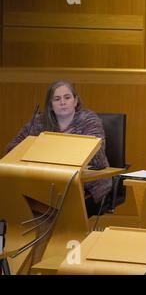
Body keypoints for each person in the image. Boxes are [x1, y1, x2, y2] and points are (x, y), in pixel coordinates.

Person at [5, 80, 111, 218]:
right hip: (47, 184)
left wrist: (50, 150)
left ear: (76, 101)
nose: (62, 102)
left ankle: (63, 237)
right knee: (18, 200)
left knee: (57, 210)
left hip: (88, 187)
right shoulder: (39, 122)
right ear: (50, 105)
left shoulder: (89, 120)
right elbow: (12, 149)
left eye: (67, 97)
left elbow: (97, 156)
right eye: (57, 99)